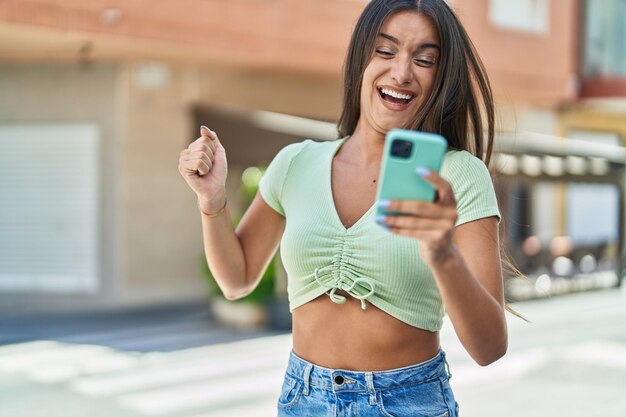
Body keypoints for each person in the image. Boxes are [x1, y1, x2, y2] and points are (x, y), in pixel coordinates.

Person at [178, 0, 507, 415]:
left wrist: (442, 254)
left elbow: (490, 347)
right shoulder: (296, 163)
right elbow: (237, 280)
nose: (402, 72)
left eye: (424, 59)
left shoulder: (459, 174)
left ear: (442, 77)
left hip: (408, 402)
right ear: (359, 60)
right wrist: (212, 201)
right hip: (304, 400)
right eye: (385, 51)